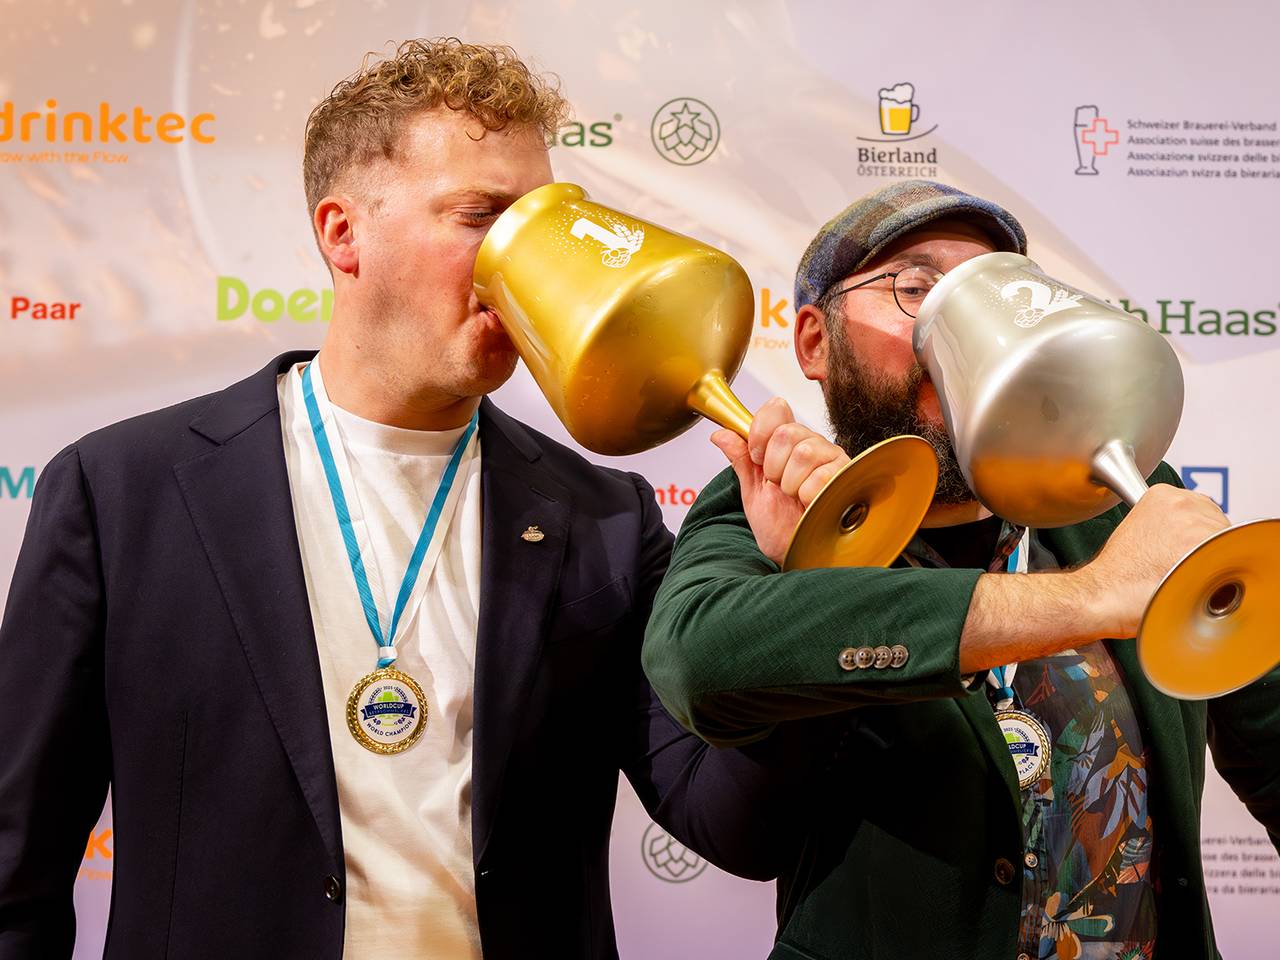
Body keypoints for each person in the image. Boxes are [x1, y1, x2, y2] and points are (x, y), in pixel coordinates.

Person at [0, 39, 805, 960]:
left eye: (547, 223)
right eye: (483, 218)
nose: (527, 263)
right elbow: (16, 859)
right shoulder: (121, 493)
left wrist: (788, 590)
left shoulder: (608, 520)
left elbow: (736, 825)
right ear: (342, 233)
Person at [642, 179, 1280, 960]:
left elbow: (1269, 724)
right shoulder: (774, 493)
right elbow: (698, 659)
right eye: (917, 287)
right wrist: (1095, 598)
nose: (967, 331)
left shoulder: (1117, 497)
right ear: (813, 341)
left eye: (997, 295)